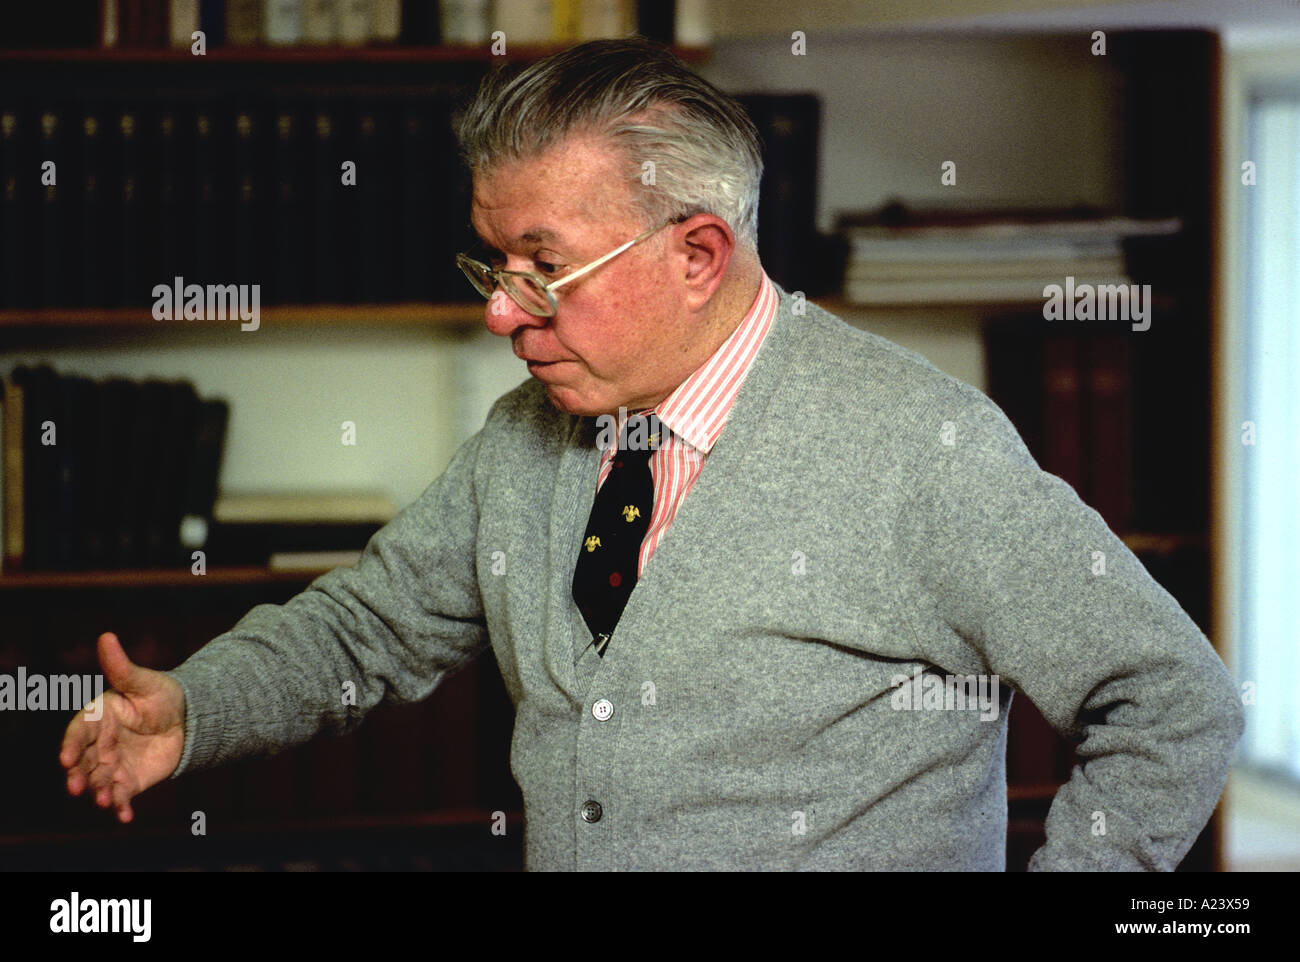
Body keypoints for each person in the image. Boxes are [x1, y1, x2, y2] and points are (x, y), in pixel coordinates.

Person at [61, 38, 1243, 871]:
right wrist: (195, 709)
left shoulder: (917, 449)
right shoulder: (524, 436)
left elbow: (1173, 701)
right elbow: (368, 627)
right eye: (491, 266)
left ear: (697, 252)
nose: (500, 313)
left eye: (543, 266)